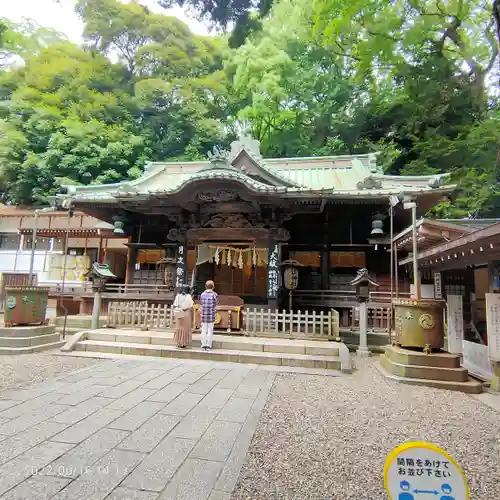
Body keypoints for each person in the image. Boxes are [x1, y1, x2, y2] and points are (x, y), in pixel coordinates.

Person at [199, 280, 218, 350]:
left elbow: (201, 304)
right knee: (210, 330)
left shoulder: (202, 294)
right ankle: (208, 345)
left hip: (204, 315)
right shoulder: (215, 295)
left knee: (203, 330)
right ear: (213, 287)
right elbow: (216, 305)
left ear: (205, 286)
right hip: (211, 315)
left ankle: (203, 344)